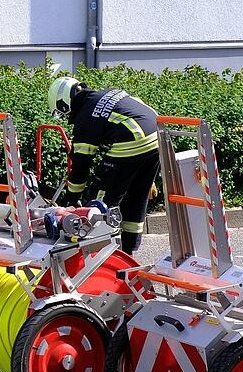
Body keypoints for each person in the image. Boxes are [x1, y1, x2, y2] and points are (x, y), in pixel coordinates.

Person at [48, 76, 160, 254]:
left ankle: (102, 253)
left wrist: (71, 198)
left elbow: (81, 165)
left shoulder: (85, 116)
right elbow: (138, 104)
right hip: (157, 137)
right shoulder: (104, 94)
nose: (67, 118)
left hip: (131, 142)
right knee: (137, 197)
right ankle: (128, 250)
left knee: (101, 201)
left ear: (65, 103)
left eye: (64, 113)